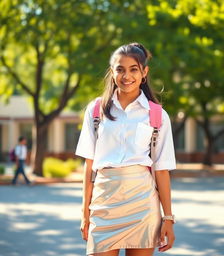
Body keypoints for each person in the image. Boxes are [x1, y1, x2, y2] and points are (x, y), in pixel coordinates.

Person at [75, 42, 176, 256]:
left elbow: (162, 169)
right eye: (120, 69)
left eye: (133, 69)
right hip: (104, 203)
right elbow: (89, 165)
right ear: (112, 72)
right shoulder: (95, 110)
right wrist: (85, 213)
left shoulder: (157, 115)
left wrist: (168, 217)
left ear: (144, 73)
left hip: (142, 204)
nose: (126, 75)